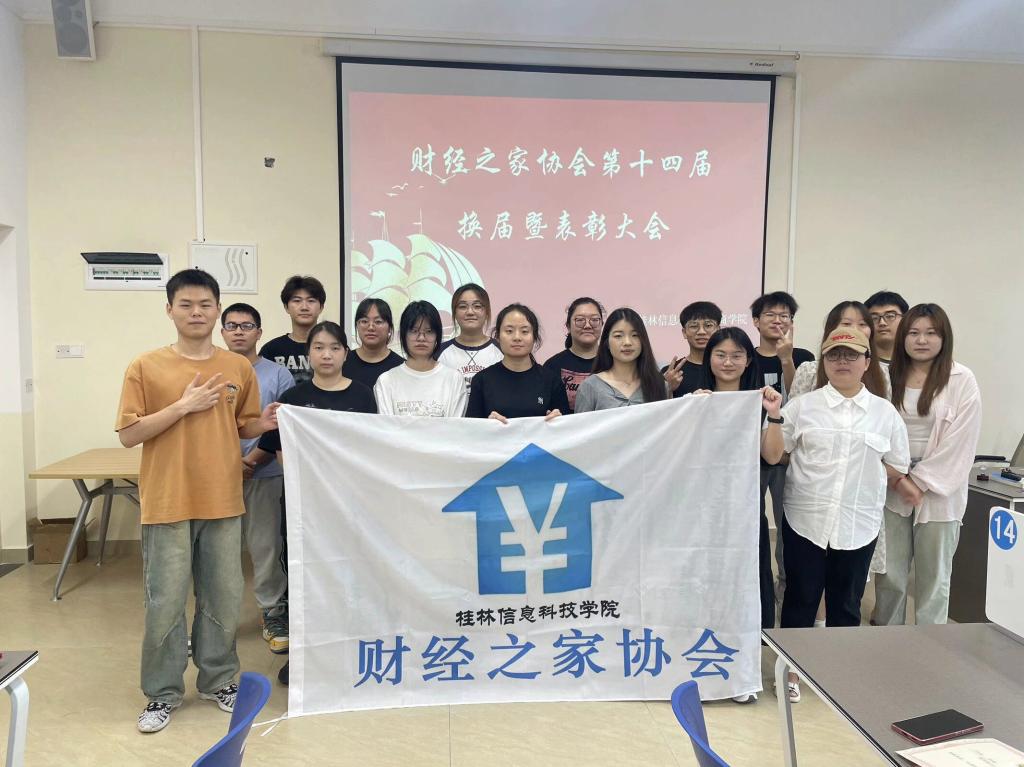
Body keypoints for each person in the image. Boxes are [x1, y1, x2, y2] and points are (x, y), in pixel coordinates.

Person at [116, 269, 280, 733]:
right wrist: (181, 407)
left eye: (205, 304)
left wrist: (264, 423)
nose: (196, 313)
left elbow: (242, 424)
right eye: (186, 304)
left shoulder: (237, 367)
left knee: (223, 598)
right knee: (165, 602)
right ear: (170, 310)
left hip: (223, 499)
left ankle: (218, 679)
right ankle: (162, 692)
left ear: (217, 310)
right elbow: (129, 434)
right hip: (167, 499)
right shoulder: (146, 366)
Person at [761, 326, 909, 703]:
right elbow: (775, 454)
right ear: (824, 362)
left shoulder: (884, 413)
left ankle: (840, 676)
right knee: (800, 599)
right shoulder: (802, 407)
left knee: (847, 603)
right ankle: (790, 671)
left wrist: (864, 477)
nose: (843, 362)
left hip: (858, 522)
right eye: (834, 355)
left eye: (851, 355)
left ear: (867, 363)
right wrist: (774, 418)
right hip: (805, 519)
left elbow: (898, 464)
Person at [258, 320, 378, 686]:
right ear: (308, 353)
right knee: (306, 577)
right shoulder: (293, 399)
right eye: (319, 347)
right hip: (305, 505)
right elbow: (281, 450)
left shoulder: (363, 395)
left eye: (334, 347)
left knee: (350, 575)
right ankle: (305, 655)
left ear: (345, 353)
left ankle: (351, 650)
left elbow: (371, 448)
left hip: (350, 503)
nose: (326, 355)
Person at [873, 304, 982, 626]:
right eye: (914, 333)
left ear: (944, 337)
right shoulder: (887, 376)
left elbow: (961, 441)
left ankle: (930, 643)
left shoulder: (961, 379)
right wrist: (897, 478)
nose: (922, 340)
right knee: (890, 575)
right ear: (903, 337)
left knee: (934, 578)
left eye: (931, 333)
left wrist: (917, 482)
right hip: (892, 484)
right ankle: (886, 637)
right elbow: (876, 429)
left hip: (938, 490)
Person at [691, 328, 774, 700]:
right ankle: (701, 660)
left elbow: (773, 455)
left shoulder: (760, 402)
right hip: (701, 511)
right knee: (703, 584)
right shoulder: (694, 401)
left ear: (748, 360)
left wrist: (775, 415)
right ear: (709, 359)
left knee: (743, 586)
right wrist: (690, 412)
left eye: (736, 355)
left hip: (743, 512)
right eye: (720, 355)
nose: (728, 362)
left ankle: (740, 672)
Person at [220, 303, 294, 656]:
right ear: (222, 332)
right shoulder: (211, 371)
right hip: (217, 478)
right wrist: (230, 463)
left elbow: (282, 426)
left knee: (266, 549)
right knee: (218, 552)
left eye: (247, 325)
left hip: (265, 474)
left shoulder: (278, 375)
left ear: (259, 333)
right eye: (232, 325)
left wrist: (250, 460)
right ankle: (216, 621)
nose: (239, 331)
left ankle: (273, 614)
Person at [466, 303, 569, 421]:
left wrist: (558, 421)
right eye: (509, 331)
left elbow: (567, 428)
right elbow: (472, 428)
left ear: (534, 337)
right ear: (497, 336)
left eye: (524, 331)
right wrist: (488, 425)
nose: (517, 337)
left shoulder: (551, 381)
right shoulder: (482, 380)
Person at [375, 301, 468, 417]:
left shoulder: (454, 379)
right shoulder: (386, 381)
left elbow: (455, 426)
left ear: (437, 335)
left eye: (429, 331)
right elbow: (386, 426)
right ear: (404, 335)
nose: (421, 338)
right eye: (414, 331)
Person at [789, 301, 889, 400]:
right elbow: (795, 407)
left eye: (862, 324)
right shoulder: (808, 371)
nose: (854, 329)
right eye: (847, 323)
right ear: (831, 329)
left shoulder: (882, 371)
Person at [574, 307, 667, 412]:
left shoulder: (660, 385)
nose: (627, 342)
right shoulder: (590, 387)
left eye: (635, 335)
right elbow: (581, 423)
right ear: (607, 342)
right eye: (618, 336)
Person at [436, 283, 503, 396]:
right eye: (463, 307)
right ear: (454, 313)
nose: (470, 312)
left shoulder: (502, 351)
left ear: (487, 312)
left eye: (477, 306)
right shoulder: (439, 352)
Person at [258, 275, 326, 384]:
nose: (304, 307)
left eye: (311, 301)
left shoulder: (333, 348)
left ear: (321, 307)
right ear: (286, 307)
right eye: (297, 301)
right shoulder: (271, 349)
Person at [543, 297, 605, 413]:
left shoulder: (613, 362)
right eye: (580, 320)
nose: (587, 325)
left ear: (602, 324)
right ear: (568, 326)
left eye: (594, 320)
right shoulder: (552, 366)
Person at [342, 297, 404, 389]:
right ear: (357, 326)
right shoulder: (342, 363)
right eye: (364, 321)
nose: (370, 327)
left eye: (378, 322)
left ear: (390, 328)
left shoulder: (401, 367)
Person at [662, 301, 720, 396]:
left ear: (718, 330)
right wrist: (666, 387)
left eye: (708, 325)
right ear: (684, 332)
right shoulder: (671, 373)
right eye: (694, 326)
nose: (701, 332)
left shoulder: (728, 367)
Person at [864, 290, 909, 366]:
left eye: (890, 316)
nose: (882, 323)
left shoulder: (916, 361)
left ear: (905, 319)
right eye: (874, 318)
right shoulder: (860, 362)